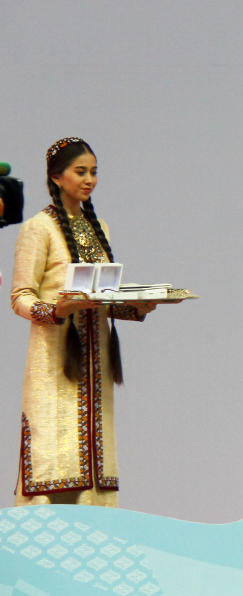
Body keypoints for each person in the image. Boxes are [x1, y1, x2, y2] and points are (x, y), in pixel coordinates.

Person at [10, 137, 156, 506]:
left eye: (94, 172)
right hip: (54, 358)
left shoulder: (98, 227)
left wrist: (138, 306)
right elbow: (20, 297)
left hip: (96, 361)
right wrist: (55, 311)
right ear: (57, 177)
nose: (89, 179)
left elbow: (101, 299)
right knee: (53, 450)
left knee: (95, 451)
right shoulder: (38, 228)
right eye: (81, 172)